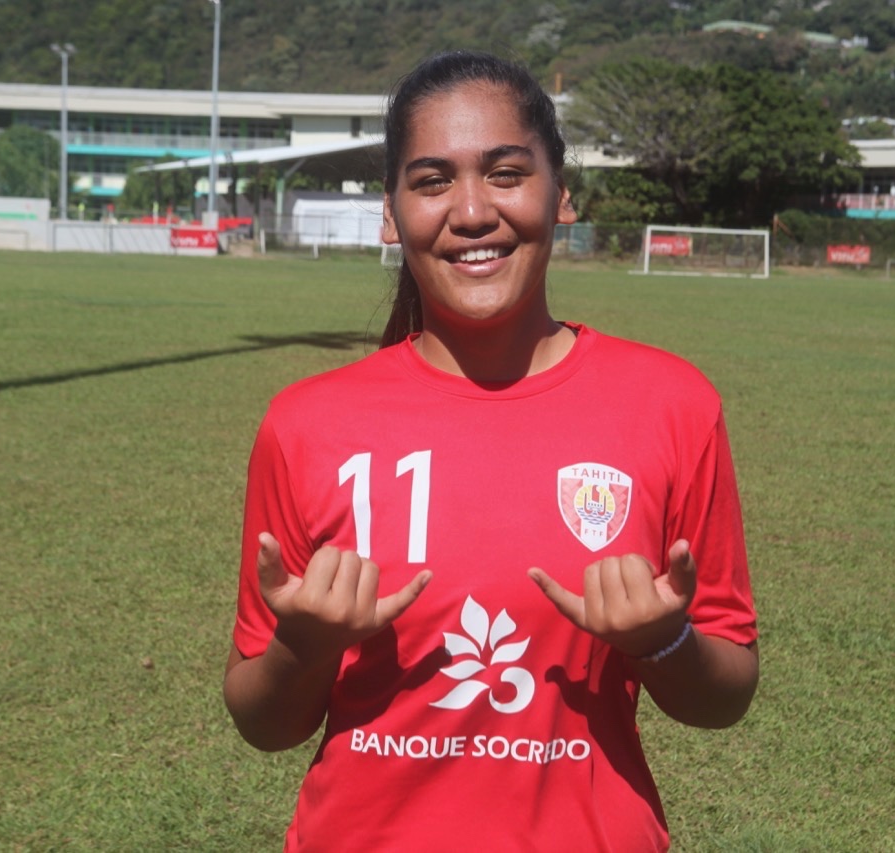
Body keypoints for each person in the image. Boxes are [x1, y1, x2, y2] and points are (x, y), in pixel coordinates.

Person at [224, 50, 759, 851]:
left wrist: (663, 641)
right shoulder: (306, 423)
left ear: (562, 193)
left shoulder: (673, 405)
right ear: (390, 212)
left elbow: (726, 695)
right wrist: (304, 645)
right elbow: (263, 722)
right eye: (432, 181)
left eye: (507, 173)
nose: (472, 212)